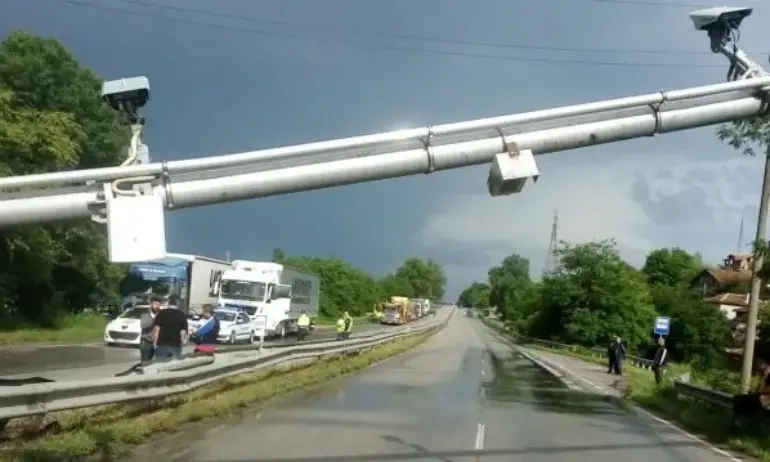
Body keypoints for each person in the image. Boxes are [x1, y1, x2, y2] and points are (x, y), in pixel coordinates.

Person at [732, 352, 770, 428]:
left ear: (765, 363)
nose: (757, 364)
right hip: (762, 398)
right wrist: (755, 391)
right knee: (738, 399)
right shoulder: (763, 374)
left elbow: (766, 389)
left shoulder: (768, 373)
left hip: (766, 399)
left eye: (759, 362)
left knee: (746, 401)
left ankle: (742, 424)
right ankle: (737, 423)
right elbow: (761, 388)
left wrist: (759, 392)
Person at [138, 297, 162, 365]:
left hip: (157, 343)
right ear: (151, 304)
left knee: (154, 364)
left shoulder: (160, 314)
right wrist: (155, 319)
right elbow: (143, 325)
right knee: (145, 362)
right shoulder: (145, 314)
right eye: (155, 304)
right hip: (146, 342)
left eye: (159, 305)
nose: (157, 306)